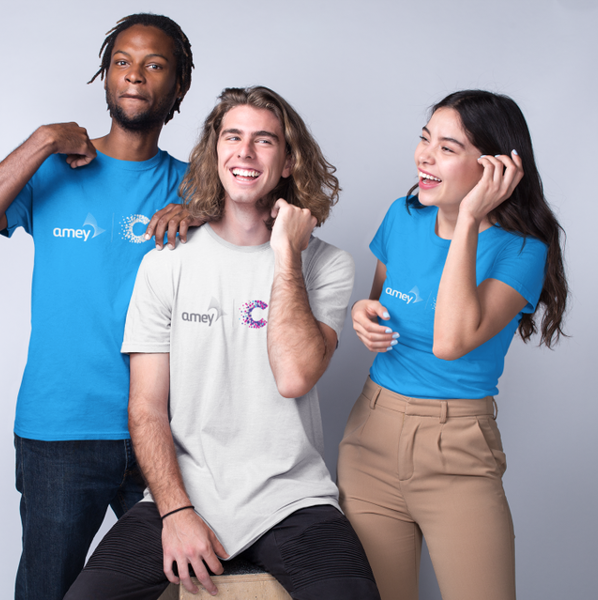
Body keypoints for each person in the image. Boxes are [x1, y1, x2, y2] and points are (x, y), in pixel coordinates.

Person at [64, 86, 380, 600]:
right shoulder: (165, 262)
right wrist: (176, 510)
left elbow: (294, 375)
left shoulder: (326, 264)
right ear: (216, 152)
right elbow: (146, 408)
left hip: (292, 500)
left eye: (264, 141)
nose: (245, 153)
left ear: (288, 161)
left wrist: (285, 254)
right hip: (191, 493)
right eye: (233, 137)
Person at [0, 14, 198, 600]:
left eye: (154, 64)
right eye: (122, 62)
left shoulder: (198, 187)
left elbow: (274, 231)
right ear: (105, 77)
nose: (135, 75)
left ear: (177, 87)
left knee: (186, 589)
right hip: (61, 431)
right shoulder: (51, 170)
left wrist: (206, 215)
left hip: (168, 430)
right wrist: (42, 141)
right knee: (46, 590)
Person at [338, 89, 568, 600]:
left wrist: (467, 220)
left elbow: (450, 341)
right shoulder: (402, 217)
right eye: (425, 140)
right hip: (370, 436)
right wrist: (361, 313)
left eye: (447, 147)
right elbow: (378, 301)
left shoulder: (522, 250)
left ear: (495, 167)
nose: (424, 155)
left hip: (458, 449)